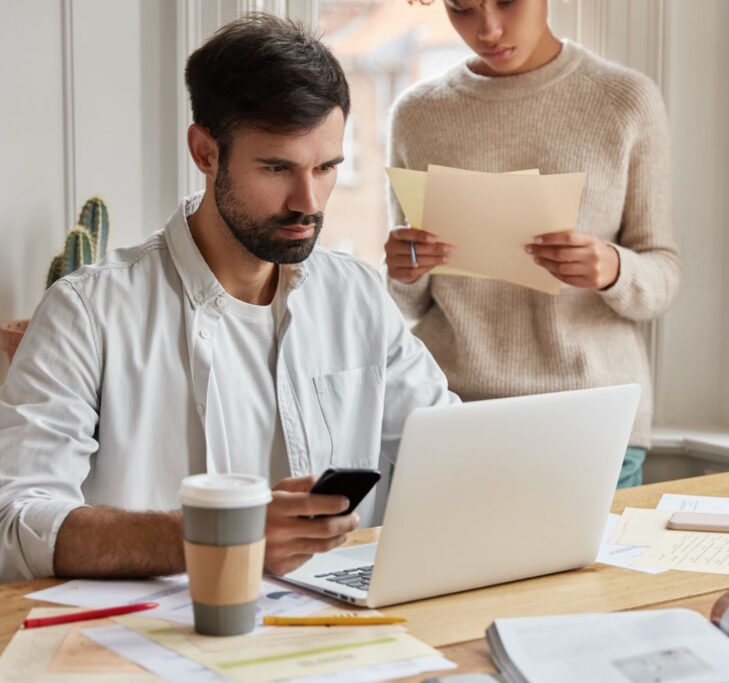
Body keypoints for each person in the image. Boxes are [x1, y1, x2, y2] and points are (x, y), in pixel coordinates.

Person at [0, 14, 456, 582]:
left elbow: (452, 454)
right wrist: (220, 536)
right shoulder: (86, 314)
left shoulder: (358, 296)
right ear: (205, 152)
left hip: (338, 635)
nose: (308, 202)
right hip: (150, 645)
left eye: (327, 167)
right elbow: (16, 526)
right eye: (277, 168)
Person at [384, 0, 680, 487]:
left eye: (506, 2)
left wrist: (612, 269)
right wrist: (402, 267)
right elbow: (411, 304)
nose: (488, 29)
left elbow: (663, 272)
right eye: (462, 10)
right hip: (451, 412)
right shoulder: (418, 114)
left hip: (591, 418)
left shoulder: (625, 100)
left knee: (590, 568)